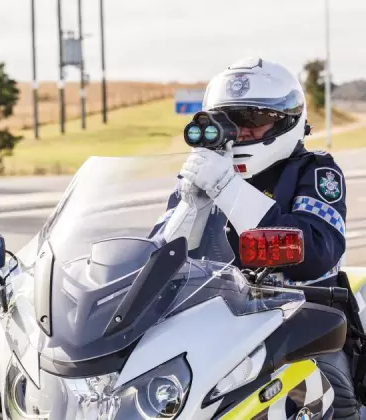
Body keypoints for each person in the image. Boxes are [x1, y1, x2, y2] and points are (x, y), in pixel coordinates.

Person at [152, 57, 355, 419]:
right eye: (227, 121)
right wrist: (190, 204)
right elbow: (156, 261)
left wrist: (227, 188)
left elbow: (318, 251)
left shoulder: (314, 170)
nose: (240, 133)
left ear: (287, 120)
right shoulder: (204, 173)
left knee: (332, 395)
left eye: (254, 120)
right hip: (214, 325)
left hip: (303, 324)